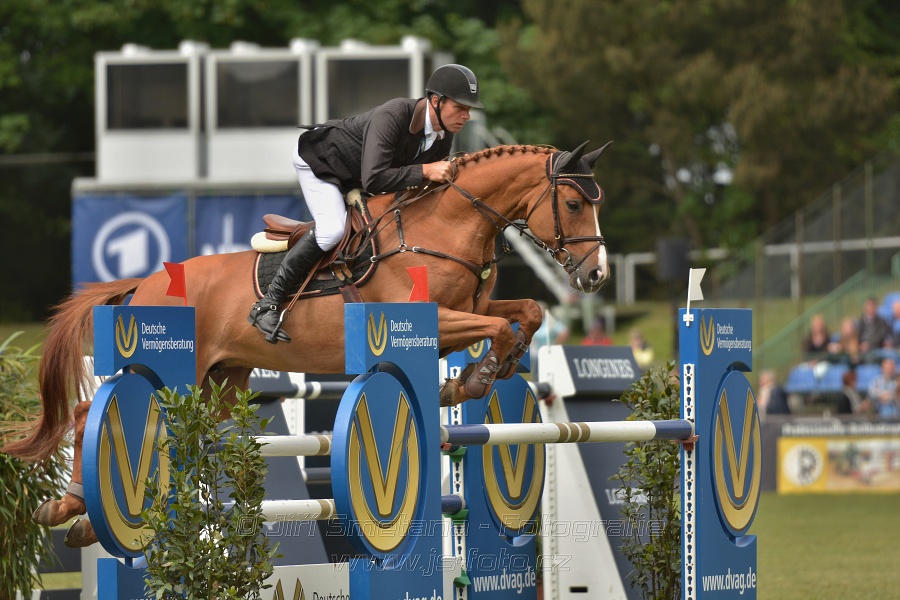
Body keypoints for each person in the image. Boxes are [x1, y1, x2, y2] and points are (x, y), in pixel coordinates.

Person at [248, 64, 483, 343]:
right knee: (333, 229)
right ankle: (269, 304)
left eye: (469, 109)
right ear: (436, 101)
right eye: (460, 107)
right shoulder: (393, 115)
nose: (466, 116)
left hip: (356, 175)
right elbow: (374, 178)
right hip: (321, 163)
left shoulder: (443, 133)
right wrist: (425, 171)